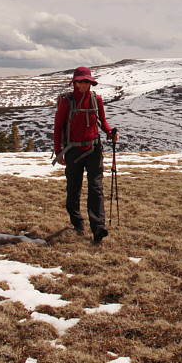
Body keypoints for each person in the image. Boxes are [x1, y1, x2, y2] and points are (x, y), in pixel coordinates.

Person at [53, 66, 118, 244]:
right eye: (80, 81)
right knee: (74, 188)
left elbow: (102, 121)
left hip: (94, 149)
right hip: (73, 150)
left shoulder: (96, 99)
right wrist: (58, 152)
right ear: (75, 82)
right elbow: (58, 127)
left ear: (91, 82)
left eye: (86, 81)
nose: (83, 84)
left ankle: (98, 227)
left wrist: (110, 132)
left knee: (96, 187)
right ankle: (77, 222)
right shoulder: (66, 101)